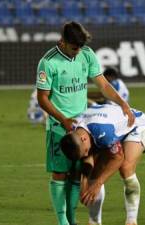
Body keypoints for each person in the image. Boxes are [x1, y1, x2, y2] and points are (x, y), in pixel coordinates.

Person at [35, 21, 135, 225]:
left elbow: (103, 85)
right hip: (58, 126)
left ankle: (73, 219)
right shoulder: (48, 62)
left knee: (78, 173)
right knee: (60, 173)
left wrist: (122, 102)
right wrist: (62, 119)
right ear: (62, 41)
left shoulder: (86, 54)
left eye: (80, 47)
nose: (77, 52)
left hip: (83, 127)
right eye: (74, 48)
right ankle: (63, 221)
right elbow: (42, 98)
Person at [60, 104, 145, 225]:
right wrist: (84, 183)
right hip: (108, 126)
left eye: (85, 150)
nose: (86, 153)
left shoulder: (103, 132)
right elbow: (87, 157)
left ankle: (131, 220)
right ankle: (94, 222)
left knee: (125, 168)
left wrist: (98, 184)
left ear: (83, 139)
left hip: (136, 124)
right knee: (94, 173)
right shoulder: (73, 129)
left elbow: (117, 158)